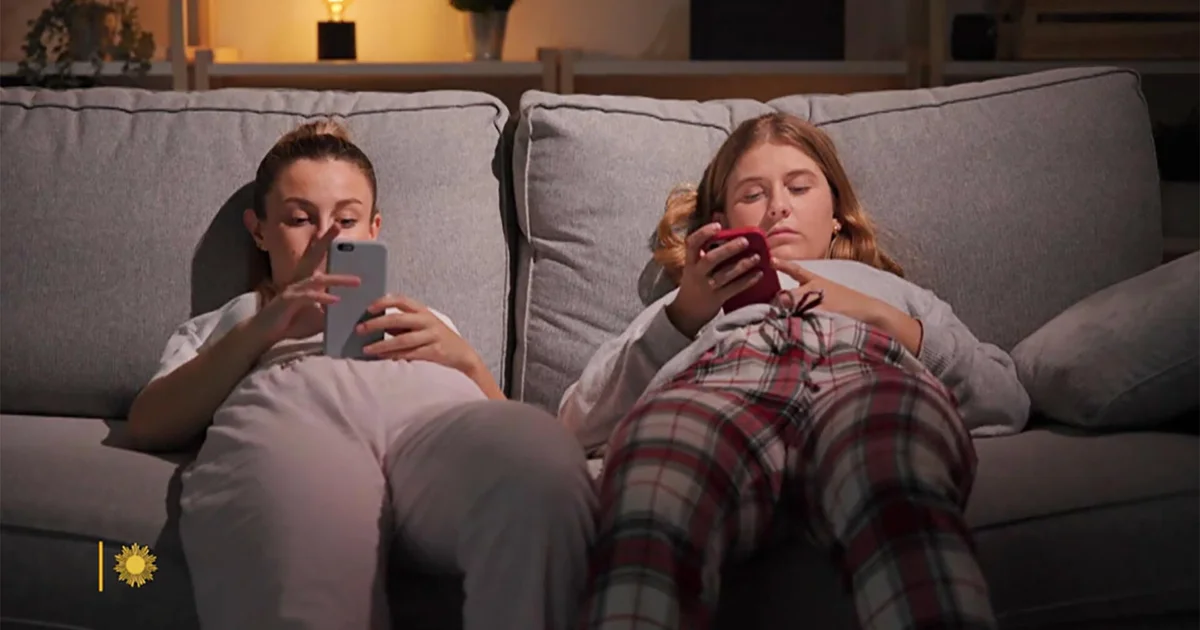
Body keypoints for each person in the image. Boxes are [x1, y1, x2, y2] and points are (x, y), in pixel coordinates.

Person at [560, 112, 1030, 630]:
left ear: (836, 214)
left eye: (799, 187)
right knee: (658, 465)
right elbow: (578, 423)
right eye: (752, 194)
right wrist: (682, 316)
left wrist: (883, 317)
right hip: (723, 379)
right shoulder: (684, 304)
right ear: (722, 222)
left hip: (863, 374)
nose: (778, 206)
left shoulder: (890, 291)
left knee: (889, 455)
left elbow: (1005, 400)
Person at [127, 120, 596, 630]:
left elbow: (499, 418)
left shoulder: (425, 317)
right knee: (303, 557)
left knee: (540, 461)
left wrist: (465, 361)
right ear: (259, 230)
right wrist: (266, 326)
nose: (327, 234)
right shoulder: (233, 319)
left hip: (431, 415)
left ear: (373, 229)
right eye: (300, 218)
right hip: (298, 414)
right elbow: (149, 423)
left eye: (346, 219)